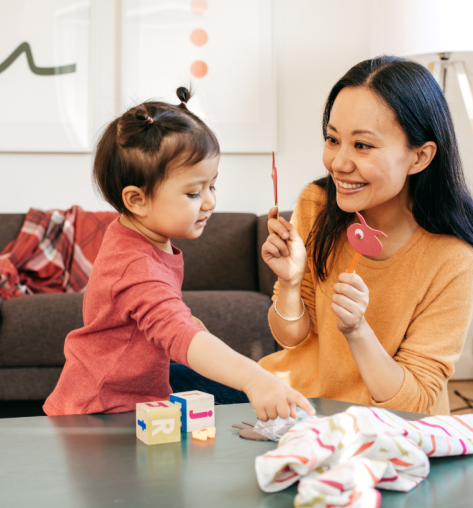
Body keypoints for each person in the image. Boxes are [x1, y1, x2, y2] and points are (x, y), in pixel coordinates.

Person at [43, 88, 314, 421]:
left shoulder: (138, 234)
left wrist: (182, 320)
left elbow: (147, 312)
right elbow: (177, 331)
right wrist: (254, 378)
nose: (210, 202)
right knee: (240, 387)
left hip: (134, 392)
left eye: (211, 186)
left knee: (219, 384)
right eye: (193, 192)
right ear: (136, 200)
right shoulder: (136, 265)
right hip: (102, 412)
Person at [259, 57, 473, 416]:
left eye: (362, 145)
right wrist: (291, 283)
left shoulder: (455, 259)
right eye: (333, 139)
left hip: (391, 431)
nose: (339, 163)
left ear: (420, 156)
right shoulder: (317, 205)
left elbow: (416, 402)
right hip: (300, 409)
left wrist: (357, 329)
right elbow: (290, 338)